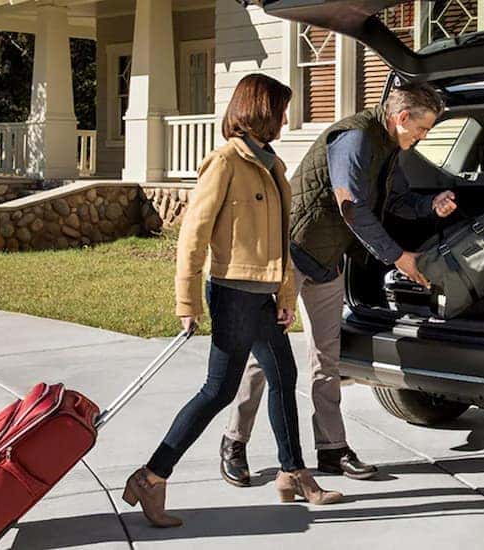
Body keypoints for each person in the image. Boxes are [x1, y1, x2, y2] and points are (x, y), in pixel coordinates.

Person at [122, 74, 342, 529]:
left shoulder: (272, 165)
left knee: (284, 377)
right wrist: (187, 302)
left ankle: (292, 472)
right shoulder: (224, 162)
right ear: (261, 111)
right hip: (233, 295)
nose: (286, 119)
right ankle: (152, 476)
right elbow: (193, 235)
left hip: (263, 299)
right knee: (218, 391)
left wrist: (284, 295)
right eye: (281, 110)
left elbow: (280, 241)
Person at [219, 82, 456, 485]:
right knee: (264, 358)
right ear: (402, 118)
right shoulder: (355, 138)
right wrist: (398, 257)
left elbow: (395, 201)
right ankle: (234, 441)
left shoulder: (389, 147)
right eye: (422, 128)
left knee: (326, 359)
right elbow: (352, 208)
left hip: (327, 261)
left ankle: (332, 449)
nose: (423, 137)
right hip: (293, 253)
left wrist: (431, 206)